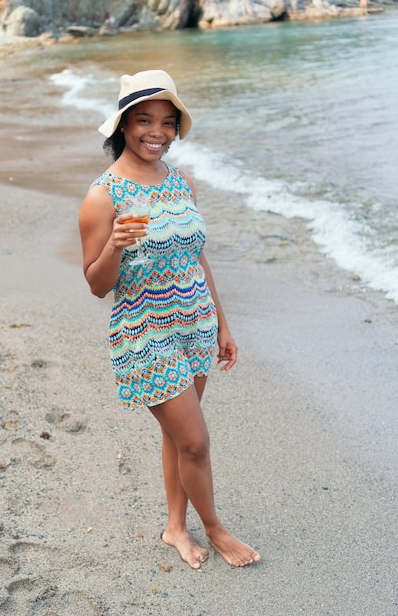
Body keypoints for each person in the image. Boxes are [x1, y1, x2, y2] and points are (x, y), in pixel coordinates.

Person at [78, 69, 260, 569]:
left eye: (166, 122)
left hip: (194, 324)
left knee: (178, 436)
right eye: (143, 120)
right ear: (122, 126)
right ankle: (216, 529)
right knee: (196, 442)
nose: (156, 132)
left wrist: (222, 324)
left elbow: (197, 259)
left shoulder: (182, 184)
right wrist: (115, 245)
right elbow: (97, 284)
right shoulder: (103, 196)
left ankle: (174, 527)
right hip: (145, 332)